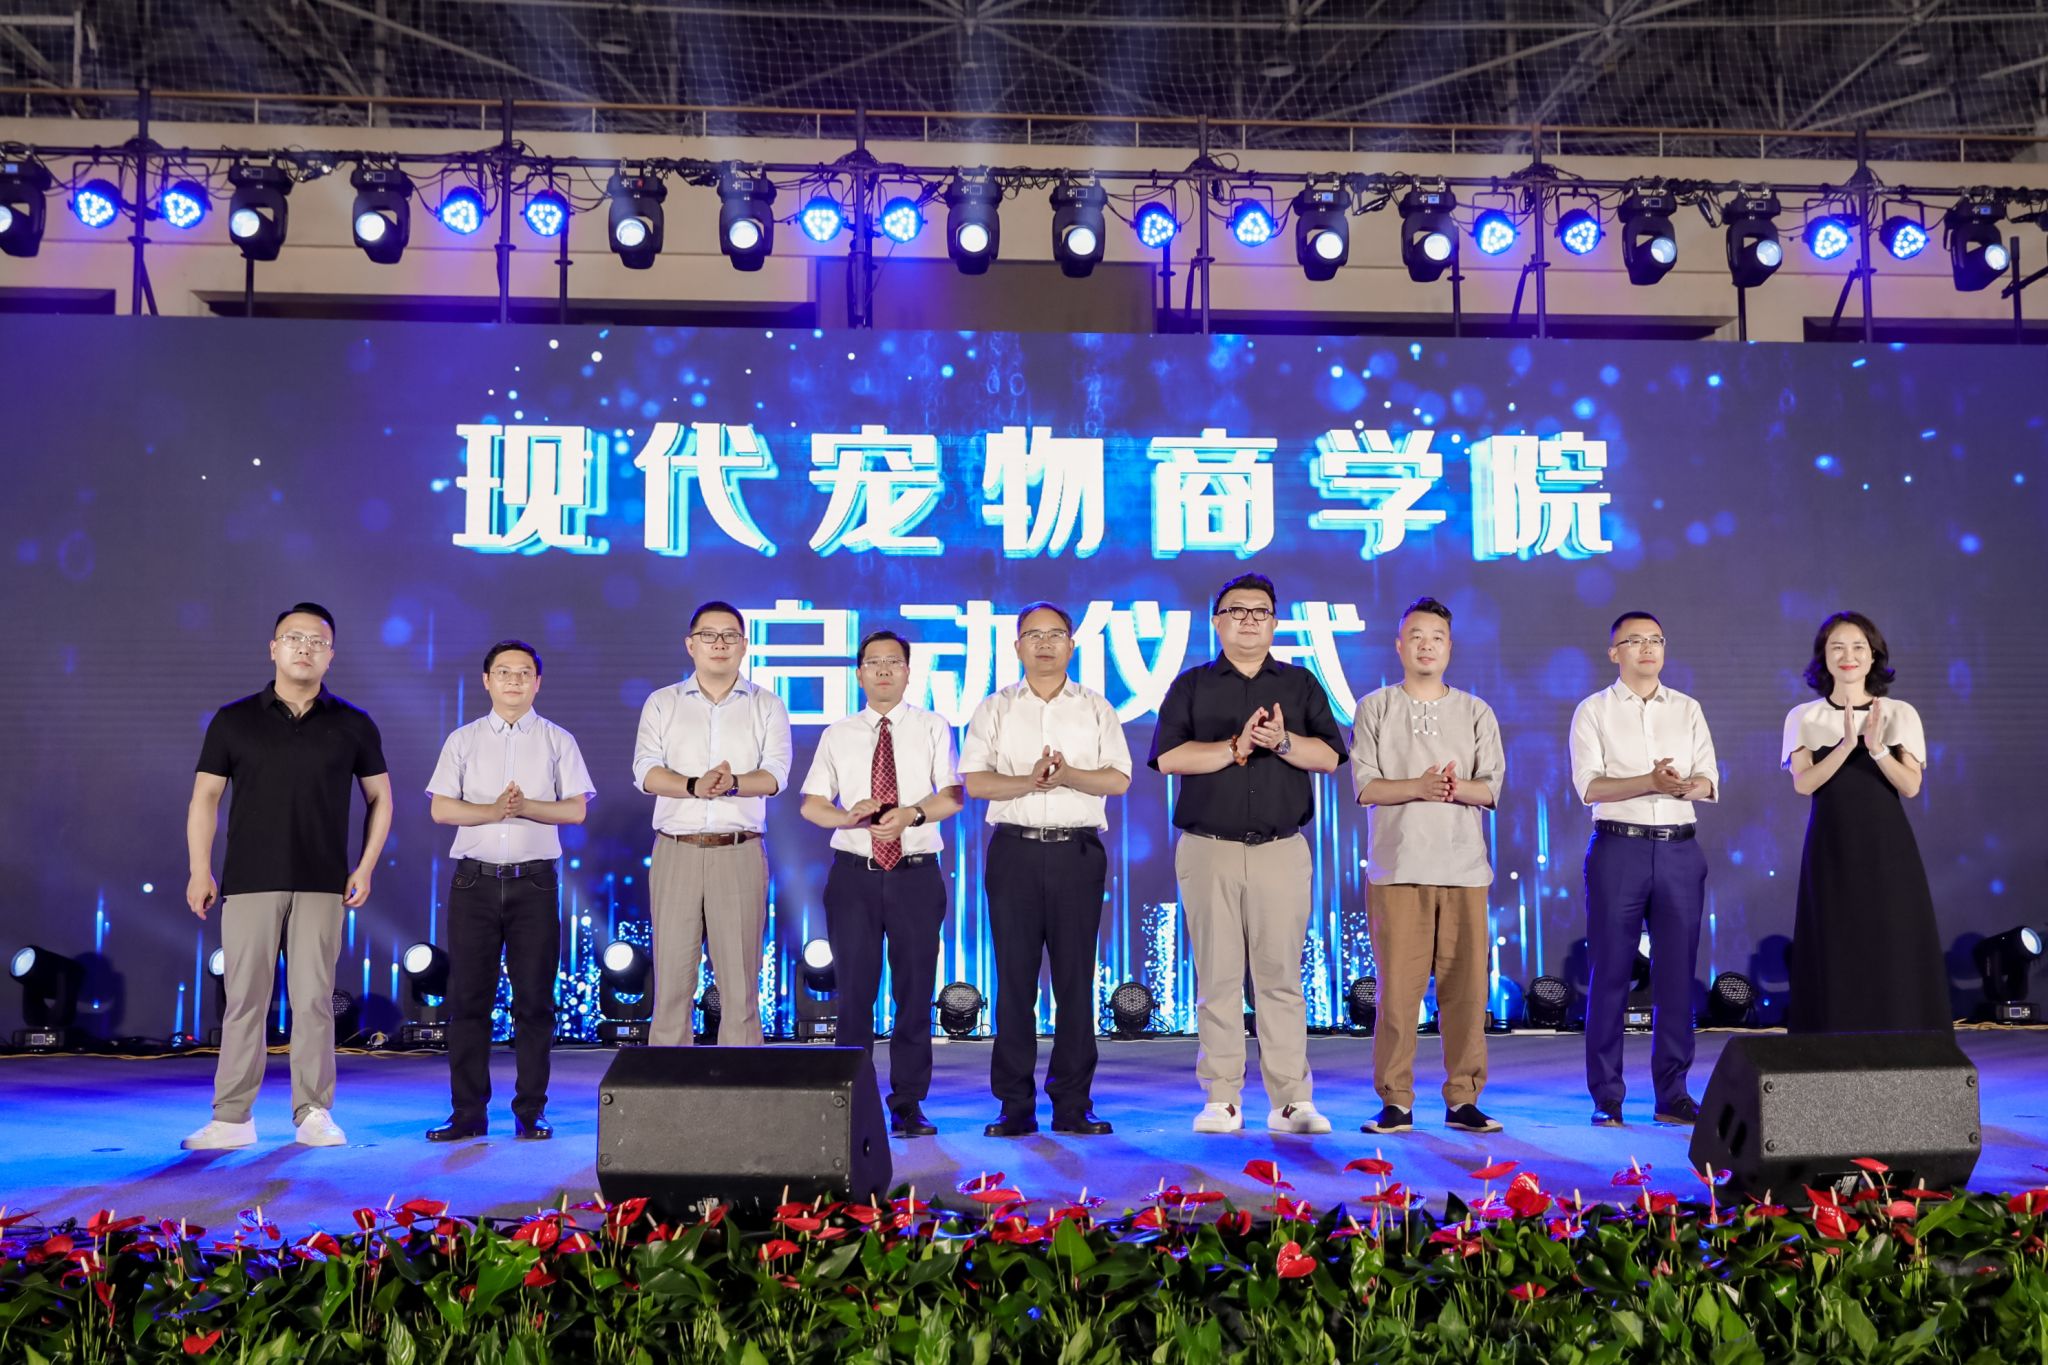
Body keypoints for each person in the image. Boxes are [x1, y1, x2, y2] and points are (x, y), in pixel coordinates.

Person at [181, 603, 393, 1150]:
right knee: (243, 1001)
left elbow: (381, 799)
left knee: (314, 1001)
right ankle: (232, 1117)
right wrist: (200, 869)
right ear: (273, 648)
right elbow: (205, 797)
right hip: (249, 879)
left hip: (323, 882)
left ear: (331, 654)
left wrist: (365, 866)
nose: (304, 648)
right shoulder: (234, 720)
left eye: (317, 641)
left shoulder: (353, 723)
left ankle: (314, 1112)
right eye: (293, 638)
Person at [1149, 572, 1347, 1135]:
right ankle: (1222, 1097)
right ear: (1217, 622)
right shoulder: (1192, 685)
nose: (1249, 620)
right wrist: (1234, 747)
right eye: (1237, 611)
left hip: (1280, 850)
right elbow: (1168, 758)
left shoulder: (1300, 684)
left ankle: (1291, 1100)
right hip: (1208, 849)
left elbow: (1330, 757)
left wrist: (1281, 742)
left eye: (1260, 611)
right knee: (1217, 978)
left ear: (1275, 622)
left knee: (1280, 978)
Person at [959, 602, 1133, 1138]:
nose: (1044, 644)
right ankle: (1014, 1104)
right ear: (1016, 646)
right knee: (1014, 982)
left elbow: (1118, 779)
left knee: (1075, 982)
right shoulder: (995, 708)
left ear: (1072, 645)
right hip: (1014, 851)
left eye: (1055, 634)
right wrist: (1030, 782)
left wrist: (1068, 775)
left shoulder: (1096, 707)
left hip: (1077, 853)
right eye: (1032, 635)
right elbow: (975, 782)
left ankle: (1073, 1103)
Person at [423, 640, 594, 1142]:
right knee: (467, 1002)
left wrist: (525, 807)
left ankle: (530, 1110)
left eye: (524, 673)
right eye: (503, 672)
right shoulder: (463, 739)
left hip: (534, 883)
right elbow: (441, 809)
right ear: (486, 680)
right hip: (473, 882)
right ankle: (467, 1112)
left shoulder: (558, 740)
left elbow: (576, 810)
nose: (514, 680)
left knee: (535, 1003)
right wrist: (493, 811)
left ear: (538, 682)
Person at [1351, 597, 1506, 1137]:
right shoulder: (1374, 707)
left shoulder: (1476, 711)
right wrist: (1419, 786)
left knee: (1466, 994)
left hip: (1464, 870)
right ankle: (1396, 1100)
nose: (1426, 645)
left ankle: (1463, 1098)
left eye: (1436, 637)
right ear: (1399, 646)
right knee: (1398, 994)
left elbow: (1491, 789)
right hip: (1398, 869)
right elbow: (1366, 787)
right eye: (1415, 636)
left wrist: (1451, 787)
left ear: (1450, 647)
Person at [799, 630, 963, 1137]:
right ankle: (852, 1100)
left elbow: (953, 795)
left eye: (894, 661)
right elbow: (812, 805)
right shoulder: (838, 733)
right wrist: (847, 817)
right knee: (854, 995)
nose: (884, 670)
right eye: (874, 662)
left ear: (909, 671)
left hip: (916, 875)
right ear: (859, 674)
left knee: (914, 994)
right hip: (855, 877)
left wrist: (912, 814)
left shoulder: (933, 726)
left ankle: (908, 1103)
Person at [1568, 611, 1719, 1128]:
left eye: (1656, 640)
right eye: (1635, 641)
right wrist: (1649, 781)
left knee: (1676, 977)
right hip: (1619, 847)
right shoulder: (1593, 710)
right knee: (1610, 973)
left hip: (1680, 848)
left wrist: (1683, 786)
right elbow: (1590, 786)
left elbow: (1709, 780)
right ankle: (1607, 1096)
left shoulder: (1688, 708)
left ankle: (1672, 1094)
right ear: (1615, 652)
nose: (1648, 649)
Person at [632, 601, 792, 1048]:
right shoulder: (662, 702)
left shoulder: (767, 704)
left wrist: (732, 783)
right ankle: (669, 1083)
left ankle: (741, 1084)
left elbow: (776, 774)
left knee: (740, 987)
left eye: (730, 636)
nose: (719, 644)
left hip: (739, 851)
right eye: (709, 635)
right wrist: (693, 786)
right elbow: (645, 771)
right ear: (691, 644)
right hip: (676, 849)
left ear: (744, 645)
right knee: (671, 984)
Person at [1782, 611, 1948, 1032]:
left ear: (1874, 656)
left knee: (1892, 938)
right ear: (1824, 656)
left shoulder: (1899, 712)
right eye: (1837, 647)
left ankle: (1902, 1038)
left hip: (1887, 846)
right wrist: (1844, 747)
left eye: (1858, 647)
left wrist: (1877, 749)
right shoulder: (1804, 716)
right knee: (1834, 939)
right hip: (1830, 845)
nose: (1848, 656)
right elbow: (1804, 784)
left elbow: (1911, 785)